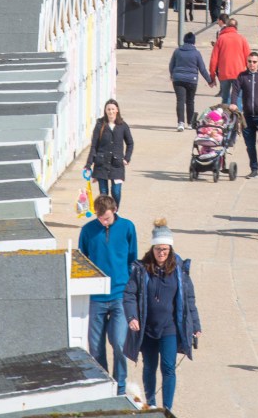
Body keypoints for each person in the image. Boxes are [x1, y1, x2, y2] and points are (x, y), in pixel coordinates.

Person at [123, 219, 201, 411]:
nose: (162, 253)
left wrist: (196, 325)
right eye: (158, 249)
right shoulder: (141, 269)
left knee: (168, 368)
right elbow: (129, 294)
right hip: (147, 328)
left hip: (170, 328)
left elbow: (189, 299)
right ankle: (151, 404)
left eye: (165, 249)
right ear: (152, 248)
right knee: (149, 367)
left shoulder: (180, 270)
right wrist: (132, 317)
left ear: (171, 249)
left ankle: (167, 408)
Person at [79, 195, 137, 397]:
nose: (104, 222)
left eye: (108, 218)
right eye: (101, 218)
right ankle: (103, 385)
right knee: (95, 347)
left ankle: (120, 386)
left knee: (119, 343)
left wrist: (131, 290)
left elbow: (132, 258)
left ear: (115, 210)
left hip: (120, 295)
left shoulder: (128, 227)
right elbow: (83, 260)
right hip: (96, 297)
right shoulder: (87, 230)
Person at [83, 99, 134, 207]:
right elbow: (94, 145)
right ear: (105, 111)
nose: (110, 112)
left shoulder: (123, 125)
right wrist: (88, 164)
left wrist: (126, 158)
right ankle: (105, 215)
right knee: (103, 193)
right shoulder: (100, 124)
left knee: (116, 191)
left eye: (112, 109)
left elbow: (130, 143)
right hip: (101, 164)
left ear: (117, 110)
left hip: (117, 165)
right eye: (108, 109)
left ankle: (115, 211)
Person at [168, 31, 214, 131]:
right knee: (190, 101)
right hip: (191, 80)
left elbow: (171, 65)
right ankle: (190, 123)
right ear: (194, 42)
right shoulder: (196, 53)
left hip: (178, 79)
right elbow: (202, 69)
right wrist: (210, 81)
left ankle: (180, 123)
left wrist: (172, 75)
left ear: (184, 40)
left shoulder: (177, 51)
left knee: (180, 101)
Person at [209, 16, 251, 104]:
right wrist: (249, 72)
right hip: (239, 73)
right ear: (236, 27)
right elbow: (248, 57)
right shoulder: (242, 39)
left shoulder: (221, 39)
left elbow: (214, 59)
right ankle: (237, 116)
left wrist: (212, 75)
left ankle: (226, 116)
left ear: (227, 26)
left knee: (225, 98)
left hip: (224, 73)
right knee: (238, 98)